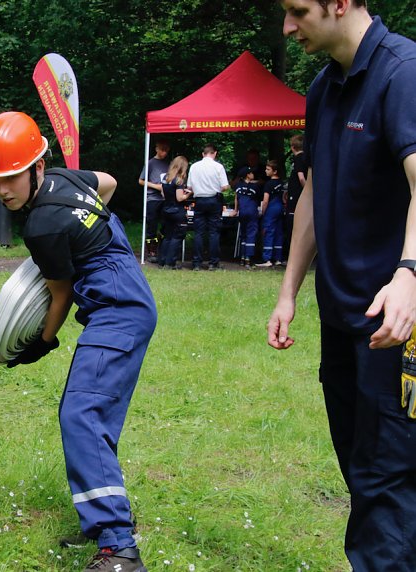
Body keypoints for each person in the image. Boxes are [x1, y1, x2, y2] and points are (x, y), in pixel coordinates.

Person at [269, 2, 416, 570]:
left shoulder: (402, 72)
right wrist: (288, 291)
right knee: (363, 470)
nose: (287, 26)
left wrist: (409, 274)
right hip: (342, 324)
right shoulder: (322, 89)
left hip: (397, 326)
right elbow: (313, 192)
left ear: (341, 2)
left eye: (298, 10)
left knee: (387, 482)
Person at [0, 111, 156, 572]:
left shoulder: (42, 227)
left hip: (118, 311)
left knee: (81, 412)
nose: (3, 191)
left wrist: (42, 341)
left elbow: (58, 294)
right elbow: (110, 182)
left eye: (11, 178)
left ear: (36, 166)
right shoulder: (63, 178)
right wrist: (94, 227)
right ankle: (108, 521)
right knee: (91, 414)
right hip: (128, 298)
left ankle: (119, 548)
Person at [187, 143, 230, 270]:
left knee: (198, 232)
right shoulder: (218, 167)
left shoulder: (194, 167)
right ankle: (213, 262)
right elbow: (225, 186)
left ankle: (196, 263)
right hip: (214, 200)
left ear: (203, 154)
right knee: (214, 232)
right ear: (215, 153)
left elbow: (189, 187)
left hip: (199, 200)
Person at [138, 139, 171, 263]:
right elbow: (141, 181)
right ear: (157, 149)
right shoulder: (150, 163)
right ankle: (151, 251)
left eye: (166, 151)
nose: (164, 153)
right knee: (151, 225)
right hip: (152, 198)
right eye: (162, 150)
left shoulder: (168, 164)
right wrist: (156, 186)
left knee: (165, 224)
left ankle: (162, 248)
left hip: (165, 198)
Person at [159, 156, 192, 270]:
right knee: (177, 237)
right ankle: (170, 263)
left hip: (166, 210)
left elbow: (163, 194)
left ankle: (162, 261)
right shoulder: (179, 180)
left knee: (167, 236)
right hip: (177, 211)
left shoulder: (165, 178)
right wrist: (188, 194)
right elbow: (179, 198)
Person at [256, 159, 286, 267]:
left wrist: (263, 212)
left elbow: (265, 200)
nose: (265, 171)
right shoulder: (282, 183)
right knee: (279, 232)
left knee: (268, 232)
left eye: (268, 169)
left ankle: (267, 259)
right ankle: (278, 258)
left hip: (271, 209)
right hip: (280, 208)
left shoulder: (268, 184)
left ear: (275, 171)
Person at [283, 134, 307, 260]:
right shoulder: (307, 158)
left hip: (296, 197)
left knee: (291, 224)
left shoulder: (298, 158)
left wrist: (306, 190)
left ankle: (293, 256)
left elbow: (301, 177)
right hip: (295, 194)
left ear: (293, 147)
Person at [233, 166, 262, 268]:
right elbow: (258, 199)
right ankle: (248, 258)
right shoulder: (255, 187)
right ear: (248, 175)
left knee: (243, 234)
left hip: (242, 212)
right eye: (251, 173)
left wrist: (236, 210)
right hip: (251, 212)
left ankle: (242, 257)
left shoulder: (238, 186)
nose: (253, 174)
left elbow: (236, 198)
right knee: (251, 234)